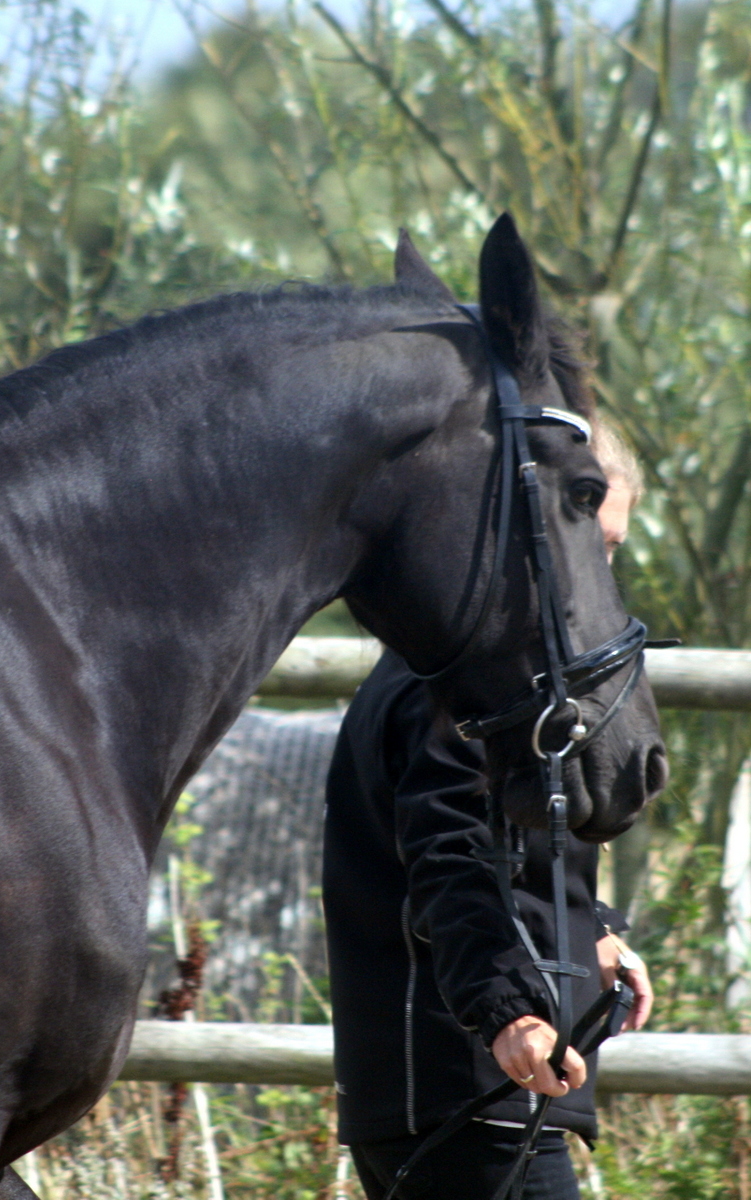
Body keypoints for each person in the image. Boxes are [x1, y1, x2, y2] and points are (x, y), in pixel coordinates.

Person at [322, 419, 652, 1200]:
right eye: (593, 545)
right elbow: (448, 856)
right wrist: (506, 1013)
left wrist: (592, 930)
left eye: (612, 551)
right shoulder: (452, 690)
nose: (599, 576)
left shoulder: (474, 683)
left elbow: (510, 850)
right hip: (469, 1093)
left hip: (468, 1094)